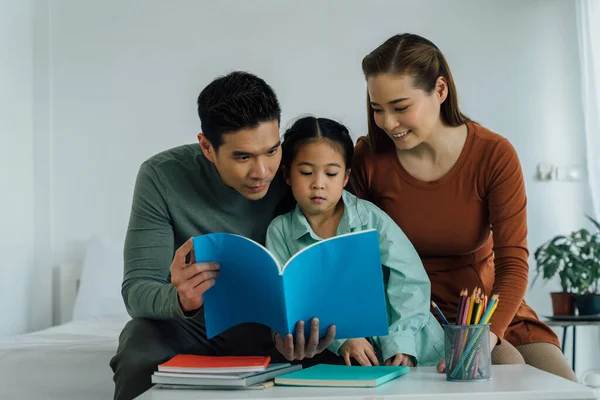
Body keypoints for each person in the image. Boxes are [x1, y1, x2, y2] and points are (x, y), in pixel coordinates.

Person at [348, 33, 577, 381]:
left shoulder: (493, 154)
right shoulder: (368, 158)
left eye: (400, 107)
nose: (387, 123)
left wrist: (488, 333)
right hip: (411, 314)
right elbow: (353, 257)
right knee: (507, 369)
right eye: (377, 109)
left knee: (563, 384)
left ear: (440, 90)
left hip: (487, 308)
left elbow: (513, 264)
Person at [110, 71, 337, 400]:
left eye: (271, 151)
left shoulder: (301, 169)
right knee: (139, 344)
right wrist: (181, 300)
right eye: (243, 157)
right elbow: (136, 289)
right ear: (207, 147)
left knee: (340, 354)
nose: (262, 172)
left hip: (280, 326)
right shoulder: (161, 176)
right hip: (195, 326)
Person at [265, 116, 445, 367]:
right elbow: (292, 301)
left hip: (417, 348)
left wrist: (401, 340)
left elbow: (410, 279)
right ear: (287, 175)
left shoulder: (370, 218)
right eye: (306, 172)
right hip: (348, 362)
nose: (318, 183)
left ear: (346, 177)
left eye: (331, 173)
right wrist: (342, 338)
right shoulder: (280, 231)